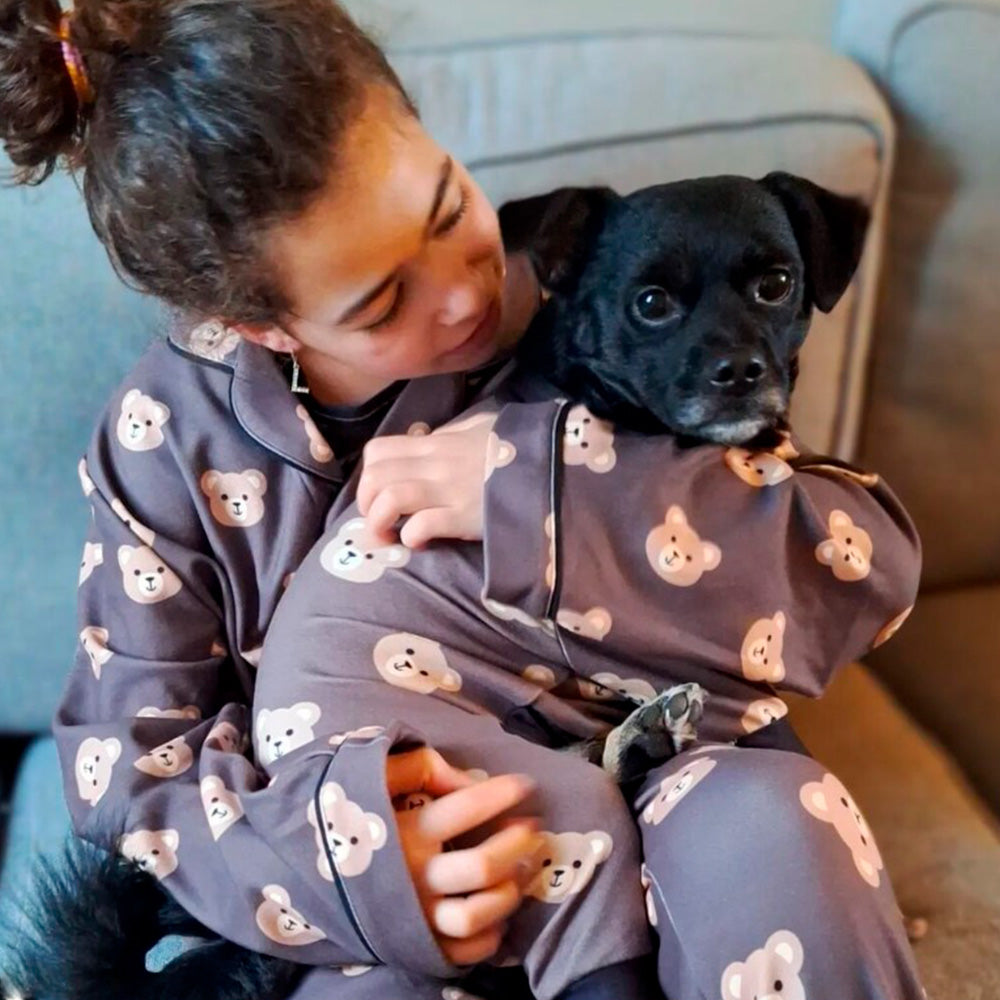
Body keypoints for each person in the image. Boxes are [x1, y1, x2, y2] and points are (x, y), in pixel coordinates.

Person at [0, 1, 928, 999]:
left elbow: (848, 558)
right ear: (259, 326)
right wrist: (360, 861)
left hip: (677, 771)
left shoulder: (593, 280)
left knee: (776, 830)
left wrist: (550, 498)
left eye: (447, 208)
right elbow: (125, 769)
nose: (461, 294)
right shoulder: (163, 443)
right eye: (382, 303)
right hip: (393, 840)